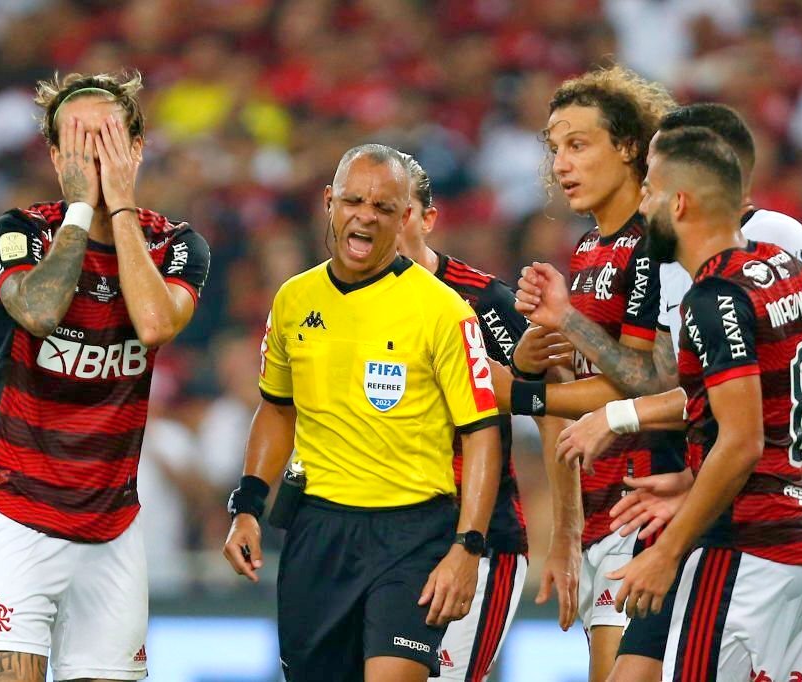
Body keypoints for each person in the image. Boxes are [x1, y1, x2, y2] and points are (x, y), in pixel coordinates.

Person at [555, 104, 802, 682]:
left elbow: (745, 433)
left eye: (652, 183)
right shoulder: (769, 265)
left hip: (750, 531)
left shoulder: (722, 287)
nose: (642, 202)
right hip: (779, 516)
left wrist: (623, 420)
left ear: (685, 196)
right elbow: (749, 399)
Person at [0, 72, 210, 681]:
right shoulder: (20, 231)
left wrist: (119, 206)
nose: (93, 153)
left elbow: (153, 326)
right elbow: (40, 311)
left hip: (112, 526)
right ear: (54, 157)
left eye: (108, 137)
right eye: (76, 139)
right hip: (17, 511)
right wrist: (80, 210)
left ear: (137, 148)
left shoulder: (177, 243)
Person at [221, 144, 503, 682]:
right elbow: (277, 411)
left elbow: (483, 432)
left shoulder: (443, 310)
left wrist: (468, 546)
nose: (365, 216)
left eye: (383, 207)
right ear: (329, 202)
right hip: (318, 532)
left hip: (413, 534)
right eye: (353, 200)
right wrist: (249, 505)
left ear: (403, 219)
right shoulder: (294, 300)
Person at [508, 65, 682, 682]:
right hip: (603, 510)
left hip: (651, 504)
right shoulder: (587, 252)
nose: (561, 164)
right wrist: (565, 531)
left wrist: (515, 392)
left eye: (578, 144)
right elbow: (570, 407)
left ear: (630, 146)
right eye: (554, 148)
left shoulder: (659, 243)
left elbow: (649, 380)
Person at [397, 152, 578, 680]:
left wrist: (565, 533)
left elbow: (553, 406)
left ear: (427, 218)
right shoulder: (339, 298)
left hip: (477, 543)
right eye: (363, 205)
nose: (378, 219)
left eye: (397, 208)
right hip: (378, 536)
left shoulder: (485, 300)